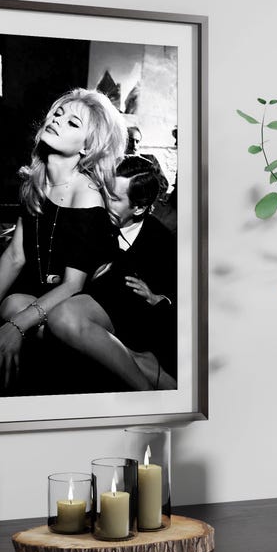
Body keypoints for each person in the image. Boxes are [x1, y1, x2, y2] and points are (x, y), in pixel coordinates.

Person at [0, 88, 127, 387]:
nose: (57, 120)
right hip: (61, 296)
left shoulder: (86, 193)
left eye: (73, 123)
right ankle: (110, 361)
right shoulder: (36, 180)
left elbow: (73, 284)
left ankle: (144, 380)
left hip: (103, 299)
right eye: (58, 113)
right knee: (12, 304)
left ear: (88, 146)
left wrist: (15, 328)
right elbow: (16, 255)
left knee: (47, 318)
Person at [47, 155, 177, 390]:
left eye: (114, 198)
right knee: (14, 305)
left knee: (64, 318)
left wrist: (159, 299)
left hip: (136, 323)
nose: (104, 201)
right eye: (104, 191)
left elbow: (186, 300)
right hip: (88, 310)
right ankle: (137, 362)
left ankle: (146, 391)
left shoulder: (162, 241)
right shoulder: (91, 219)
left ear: (139, 208)